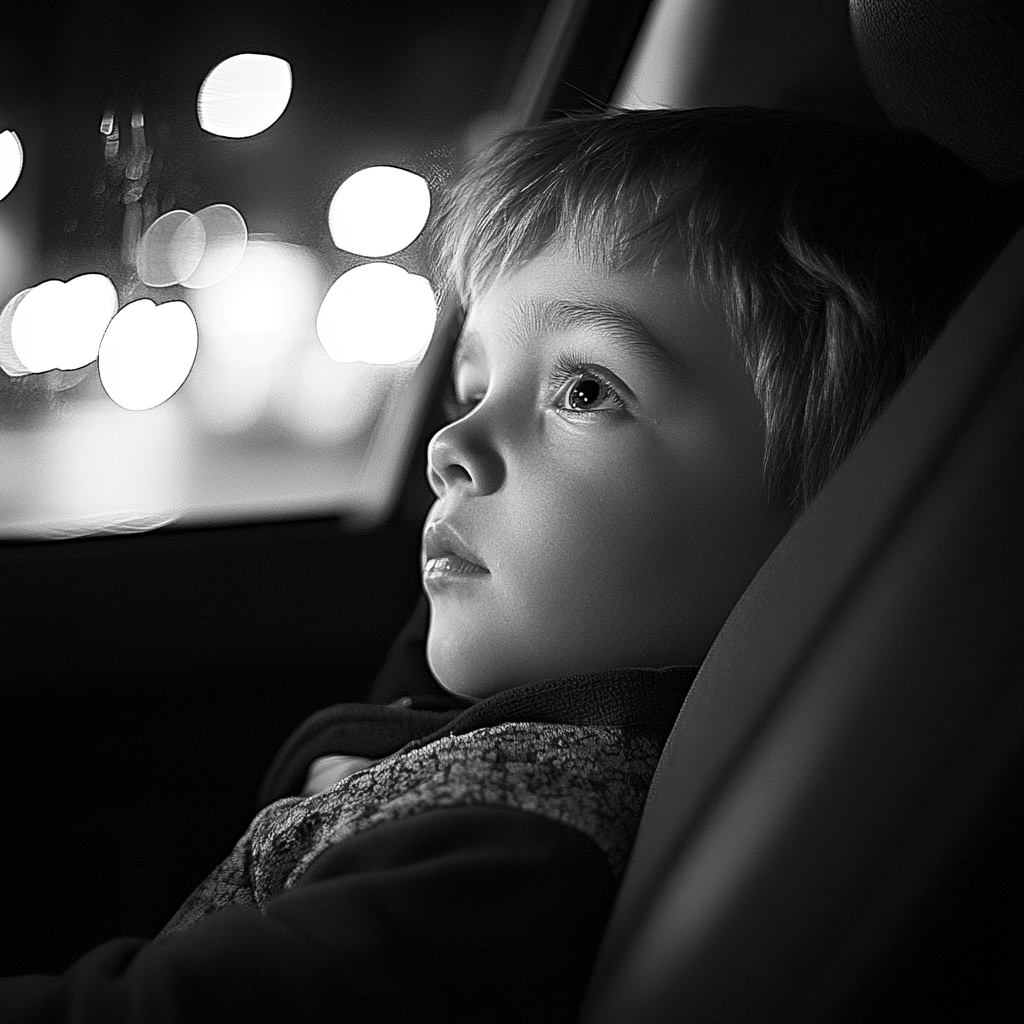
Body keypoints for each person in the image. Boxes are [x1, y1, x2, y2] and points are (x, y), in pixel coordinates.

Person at [2, 107, 1019, 1023]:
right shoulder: (517, 745)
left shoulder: (504, 861)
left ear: (827, 514)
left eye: (583, 390)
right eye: (471, 383)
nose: (452, 444)